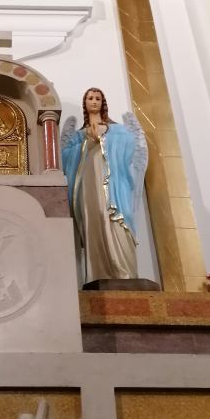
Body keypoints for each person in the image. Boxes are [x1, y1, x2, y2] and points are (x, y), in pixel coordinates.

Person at [62, 88, 141, 283]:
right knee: (95, 218)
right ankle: (98, 274)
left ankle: (125, 272)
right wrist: (87, 143)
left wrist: (105, 139)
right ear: (85, 103)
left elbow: (129, 145)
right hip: (88, 184)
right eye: (90, 98)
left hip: (113, 185)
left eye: (98, 98)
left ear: (103, 103)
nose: (94, 101)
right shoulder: (79, 136)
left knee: (116, 219)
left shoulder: (117, 130)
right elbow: (65, 157)